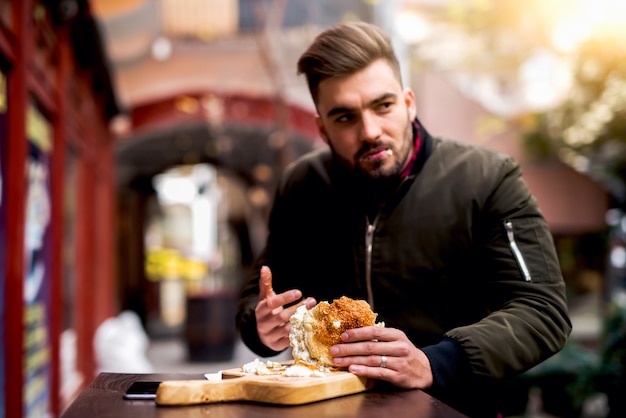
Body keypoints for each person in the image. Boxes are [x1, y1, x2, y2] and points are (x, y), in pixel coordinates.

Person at [236, 21, 571, 417]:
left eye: (383, 106)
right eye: (345, 118)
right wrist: (261, 327)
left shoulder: (488, 178)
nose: (371, 131)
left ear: (409, 102)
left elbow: (542, 309)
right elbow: (263, 297)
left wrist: (436, 362)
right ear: (322, 129)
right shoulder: (302, 186)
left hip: (458, 407)